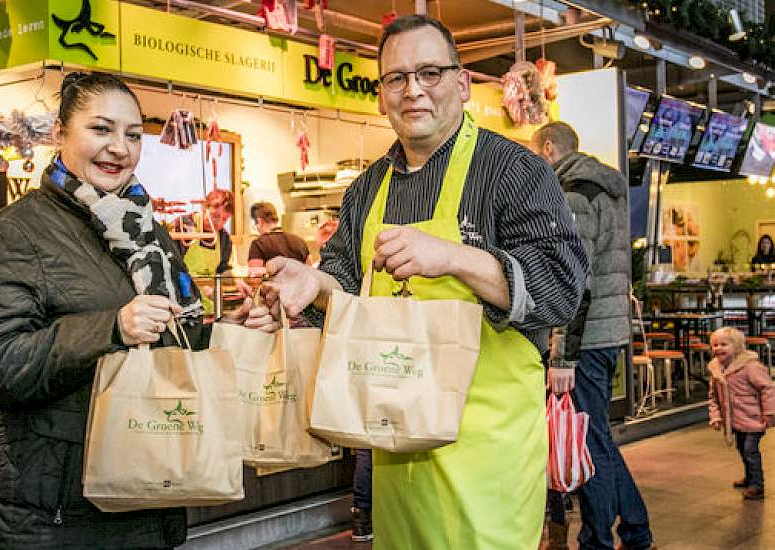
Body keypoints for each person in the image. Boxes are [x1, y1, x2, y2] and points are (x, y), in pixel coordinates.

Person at [262, 15, 587, 549]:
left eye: (430, 73)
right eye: (397, 77)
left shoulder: (514, 171)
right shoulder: (368, 187)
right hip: (395, 453)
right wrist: (311, 283)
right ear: (382, 94)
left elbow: (559, 289)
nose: (413, 90)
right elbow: (345, 278)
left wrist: (457, 258)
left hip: (485, 456)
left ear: (461, 84)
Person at [0, 72, 276, 550]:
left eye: (132, 135)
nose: (119, 148)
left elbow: (170, 343)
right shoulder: (13, 235)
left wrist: (226, 331)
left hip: (147, 492)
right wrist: (111, 327)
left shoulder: (145, 231)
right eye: (101, 129)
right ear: (60, 133)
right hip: (51, 515)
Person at [531, 121, 654, 550]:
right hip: (606, 333)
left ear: (548, 149)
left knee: (588, 440)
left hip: (585, 339)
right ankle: (636, 530)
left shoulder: (574, 193)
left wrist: (562, 356)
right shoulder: (605, 188)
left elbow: (573, 282)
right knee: (597, 435)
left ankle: (596, 539)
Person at [708, 326, 775, 500]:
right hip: (735, 421)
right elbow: (713, 396)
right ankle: (750, 477)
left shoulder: (750, 367)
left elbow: (767, 388)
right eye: (715, 345)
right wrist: (715, 416)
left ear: (737, 346)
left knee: (750, 450)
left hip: (754, 419)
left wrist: (769, 412)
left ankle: (757, 486)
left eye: (724, 344)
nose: (719, 348)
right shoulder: (716, 370)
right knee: (742, 448)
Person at [178, 188, 234, 276]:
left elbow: (223, 268)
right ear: (204, 208)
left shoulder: (224, 238)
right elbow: (170, 266)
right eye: (215, 216)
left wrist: (235, 280)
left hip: (210, 288)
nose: (218, 223)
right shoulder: (183, 227)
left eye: (224, 219)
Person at [247, 201, 309, 276]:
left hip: (274, 287)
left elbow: (255, 275)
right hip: (300, 287)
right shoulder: (300, 241)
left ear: (259, 221)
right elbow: (310, 272)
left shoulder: (258, 244)